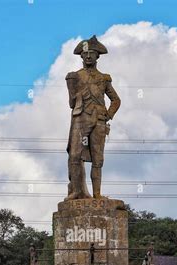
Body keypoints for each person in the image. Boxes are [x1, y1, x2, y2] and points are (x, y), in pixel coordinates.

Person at [65, 35, 121, 199]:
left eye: (92, 53)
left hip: (99, 120)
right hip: (80, 119)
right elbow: (71, 104)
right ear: (81, 56)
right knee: (75, 155)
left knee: (98, 159)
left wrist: (108, 115)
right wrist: (71, 86)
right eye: (85, 53)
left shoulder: (103, 78)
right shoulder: (75, 76)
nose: (88, 56)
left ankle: (97, 194)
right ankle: (76, 191)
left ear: (98, 56)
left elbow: (116, 100)